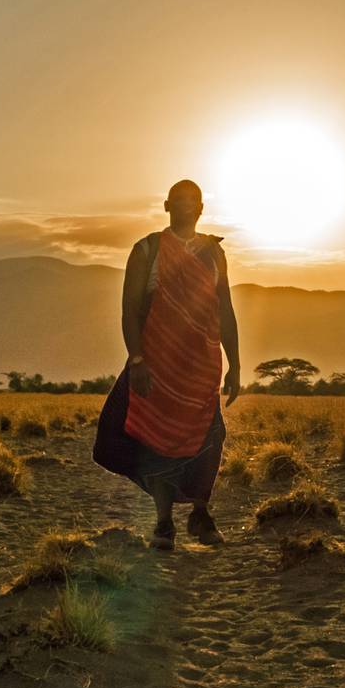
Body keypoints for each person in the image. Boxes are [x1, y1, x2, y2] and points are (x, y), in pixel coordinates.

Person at [93, 178, 241, 550]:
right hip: (157, 363)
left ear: (202, 208)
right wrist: (137, 358)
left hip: (202, 365)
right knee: (157, 440)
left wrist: (235, 363)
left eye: (193, 200)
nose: (186, 206)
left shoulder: (213, 253)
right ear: (166, 205)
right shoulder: (147, 250)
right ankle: (163, 523)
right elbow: (129, 309)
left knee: (209, 438)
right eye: (179, 200)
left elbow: (224, 308)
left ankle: (201, 513)